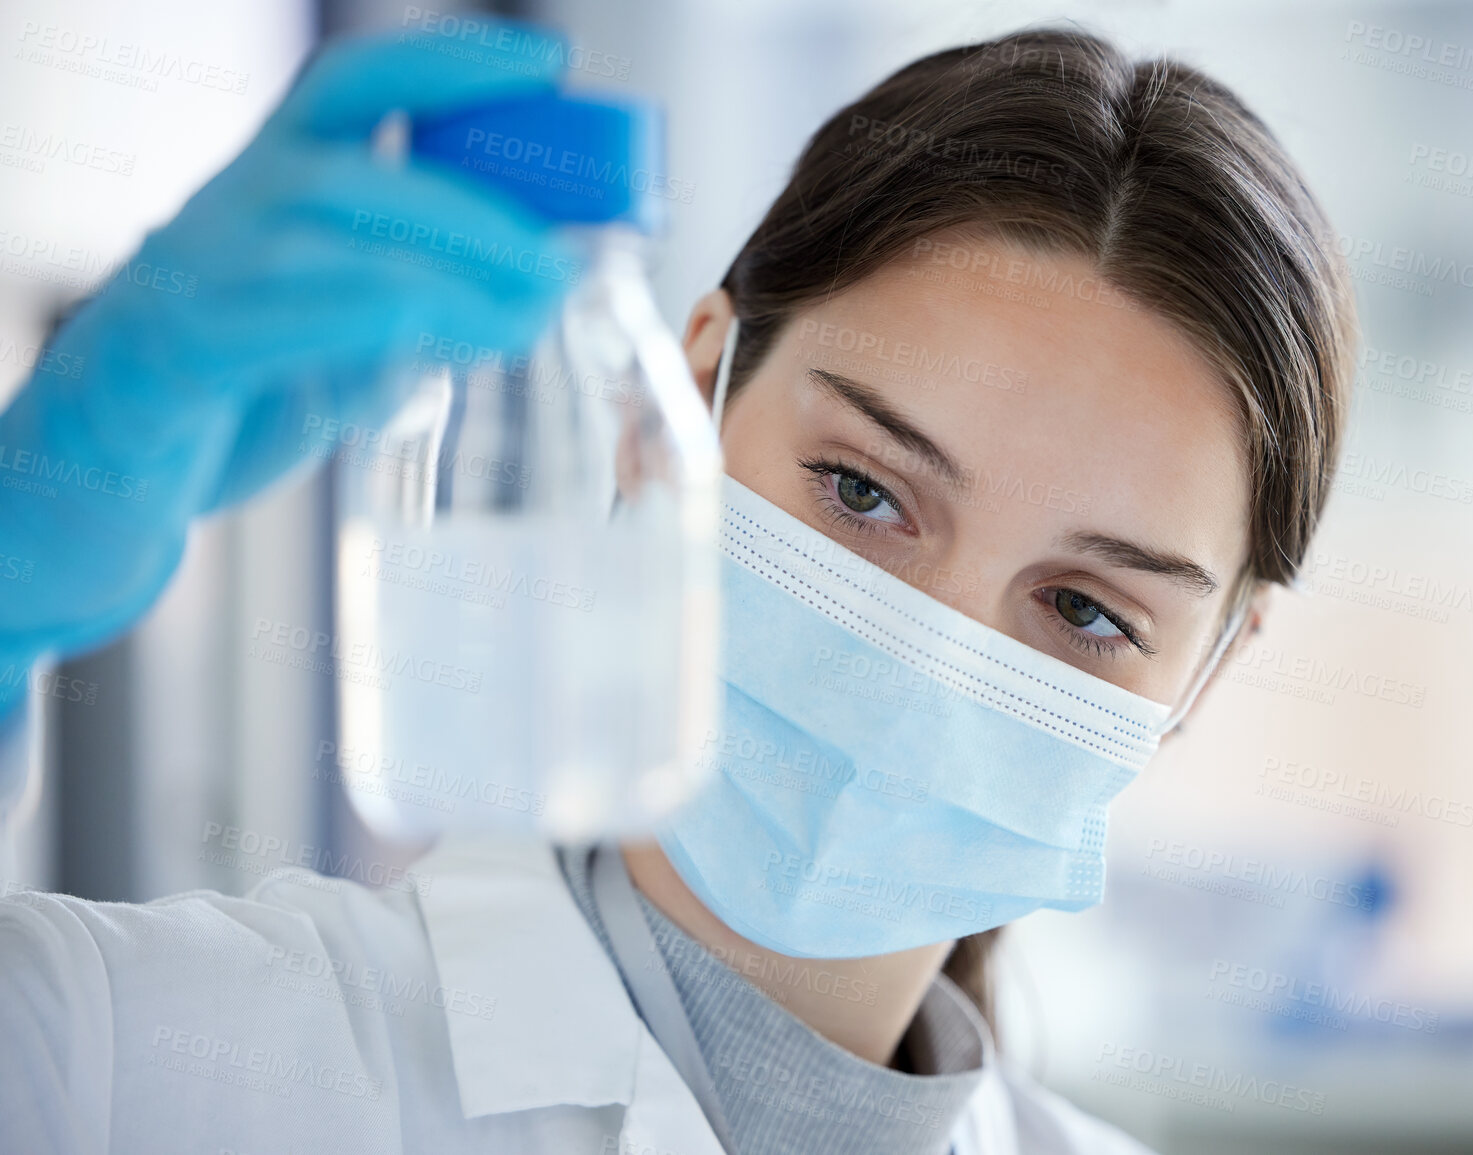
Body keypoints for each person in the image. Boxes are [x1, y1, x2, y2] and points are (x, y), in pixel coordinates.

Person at [0, 21, 1355, 1155]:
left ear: (1209, 674)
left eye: (1086, 611)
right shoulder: (144, 1055)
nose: (926, 659)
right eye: (865, 491)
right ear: (687, 397)